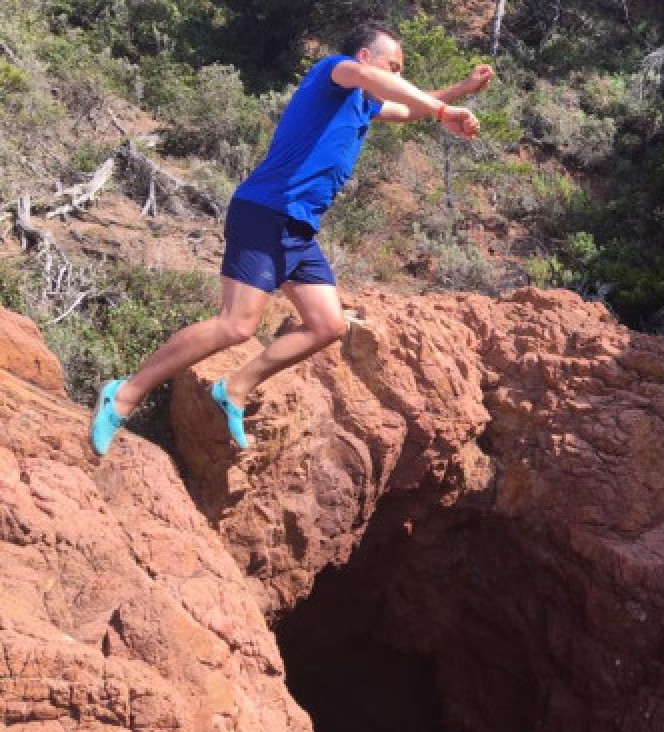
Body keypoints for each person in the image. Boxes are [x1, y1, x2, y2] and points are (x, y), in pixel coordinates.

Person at [90, 22, 494, 455]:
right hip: (267, 211)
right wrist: (439, 110)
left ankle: (235, 389)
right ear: (363, 56)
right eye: (392, 67)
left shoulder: (363, 105)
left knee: (327, 325)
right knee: (236, 325)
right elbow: (384, 86)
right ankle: (126, 392)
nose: (396, 76)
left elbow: (405, 108)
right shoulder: (336, 71)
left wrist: (460, 92)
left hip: (299, 228)